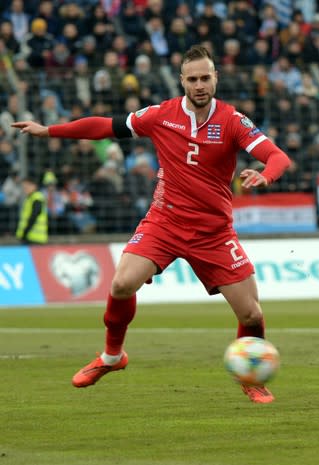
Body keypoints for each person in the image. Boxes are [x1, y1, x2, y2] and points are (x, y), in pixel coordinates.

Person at [13, 45, 291, 404]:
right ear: (182, 81)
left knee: (251, 312)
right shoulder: (161, 115)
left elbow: (277, 156)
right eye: (192, 79)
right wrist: (49, 131)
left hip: (213, 231)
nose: (200, 84)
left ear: (215, 77)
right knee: (122, 282)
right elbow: (107, 126)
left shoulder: (233, 121)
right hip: (165, 221)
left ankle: (252, 378)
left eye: (206, 77)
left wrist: (266, 176)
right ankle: (113, 357)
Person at [16, 175, 47, 245]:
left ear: (34, 186)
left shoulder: (37, 198)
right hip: (30, 238)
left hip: (35, 239)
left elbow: (34, 215)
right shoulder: (30, 198)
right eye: (24, 187)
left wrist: (25, 232)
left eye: (26, 186)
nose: (24, 189)